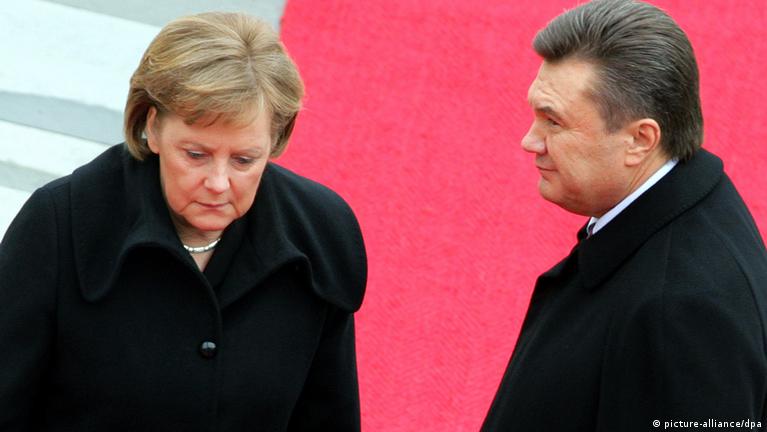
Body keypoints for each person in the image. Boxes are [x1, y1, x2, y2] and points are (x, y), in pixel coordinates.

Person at [0, 12, 367, 431]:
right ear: (152, 127)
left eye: (244, 160)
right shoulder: (60, 225)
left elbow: (329, 416)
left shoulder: (320, 234)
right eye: (195, 154)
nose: (218, 183)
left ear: (275, 141)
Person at [481, 0, 767, 430]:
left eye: (553, 122)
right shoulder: (692, 209)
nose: (530, 141)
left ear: (640, 139)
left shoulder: (678, 312)